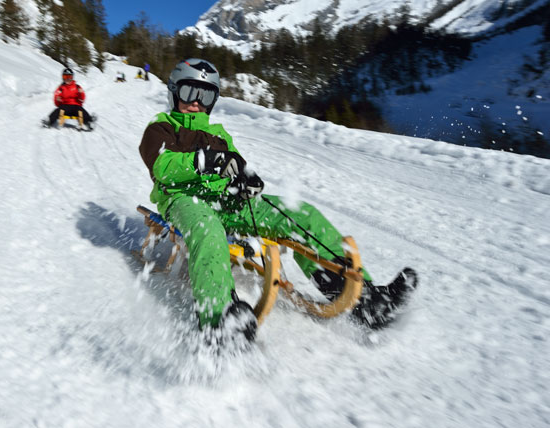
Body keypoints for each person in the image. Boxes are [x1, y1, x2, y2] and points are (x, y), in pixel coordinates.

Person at [138, 58, 416, 341]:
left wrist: (246, 180)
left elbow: (237, 166)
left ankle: (367, 301)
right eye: (189, 92)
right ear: (174, 92)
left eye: (205, 94)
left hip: (227, 203)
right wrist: (204, 160)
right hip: (185, 202)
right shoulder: (160, 128)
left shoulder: (218, 134)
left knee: (301, 213)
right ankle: (219, 319)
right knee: (208, 229)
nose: (196, 102)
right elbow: (162, 166)